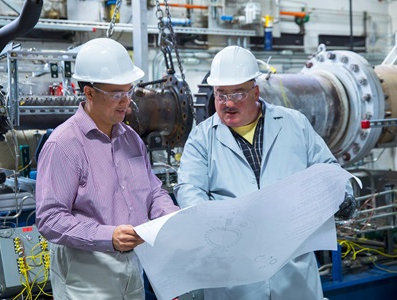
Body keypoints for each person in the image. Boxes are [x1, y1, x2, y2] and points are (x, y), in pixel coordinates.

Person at [173, 45, 356, 300]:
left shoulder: (294, 124)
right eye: (220, 94)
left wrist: (342, 194)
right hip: (233, 272)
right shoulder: (202, 138)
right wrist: (213, 224)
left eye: (237, 94)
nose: (227, 104)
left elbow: (326, 169)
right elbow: (189, 189)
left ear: (255, 91)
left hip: (293, 267)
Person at [35, 38, 179, 300]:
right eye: (116, 94)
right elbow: (50, 218)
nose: (126, 102)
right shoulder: (64, 144)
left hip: (133, 265)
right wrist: (108, 236)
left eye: (128, 92)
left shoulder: (131, 138)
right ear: (89, 93)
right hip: (86, 274)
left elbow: (153, 191)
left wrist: (169, 216)